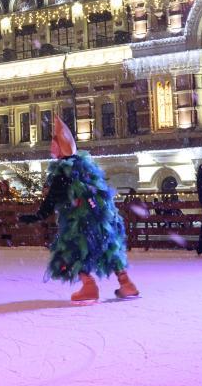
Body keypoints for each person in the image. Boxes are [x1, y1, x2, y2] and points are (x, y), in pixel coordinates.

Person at [19, 118, 139, 303]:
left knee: (72, 250)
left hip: (80, 220)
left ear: (61, 147)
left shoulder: (63, 172)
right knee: (107, 246)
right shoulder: (85, 167)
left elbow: (52, 199)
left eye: (53, 144)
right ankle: (126, 283)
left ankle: (89, 286)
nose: (51, 148)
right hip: (101, 217)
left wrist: (37, 216)